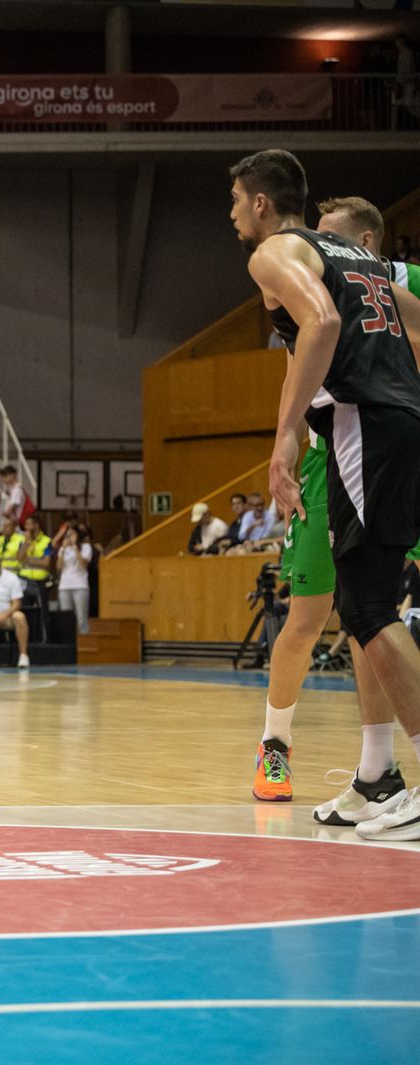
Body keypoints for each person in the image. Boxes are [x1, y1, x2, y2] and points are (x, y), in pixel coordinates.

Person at [233, 149, 420, 842]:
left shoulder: (275, 252)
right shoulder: (353, 254)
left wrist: (284, 434)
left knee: (368, 607)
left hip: (360, 424)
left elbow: (323, 324)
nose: (231, 215)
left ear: (260, 202)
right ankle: (376, 778)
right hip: (392, 421)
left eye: (234, 201)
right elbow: (413, 316)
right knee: (365, 606)